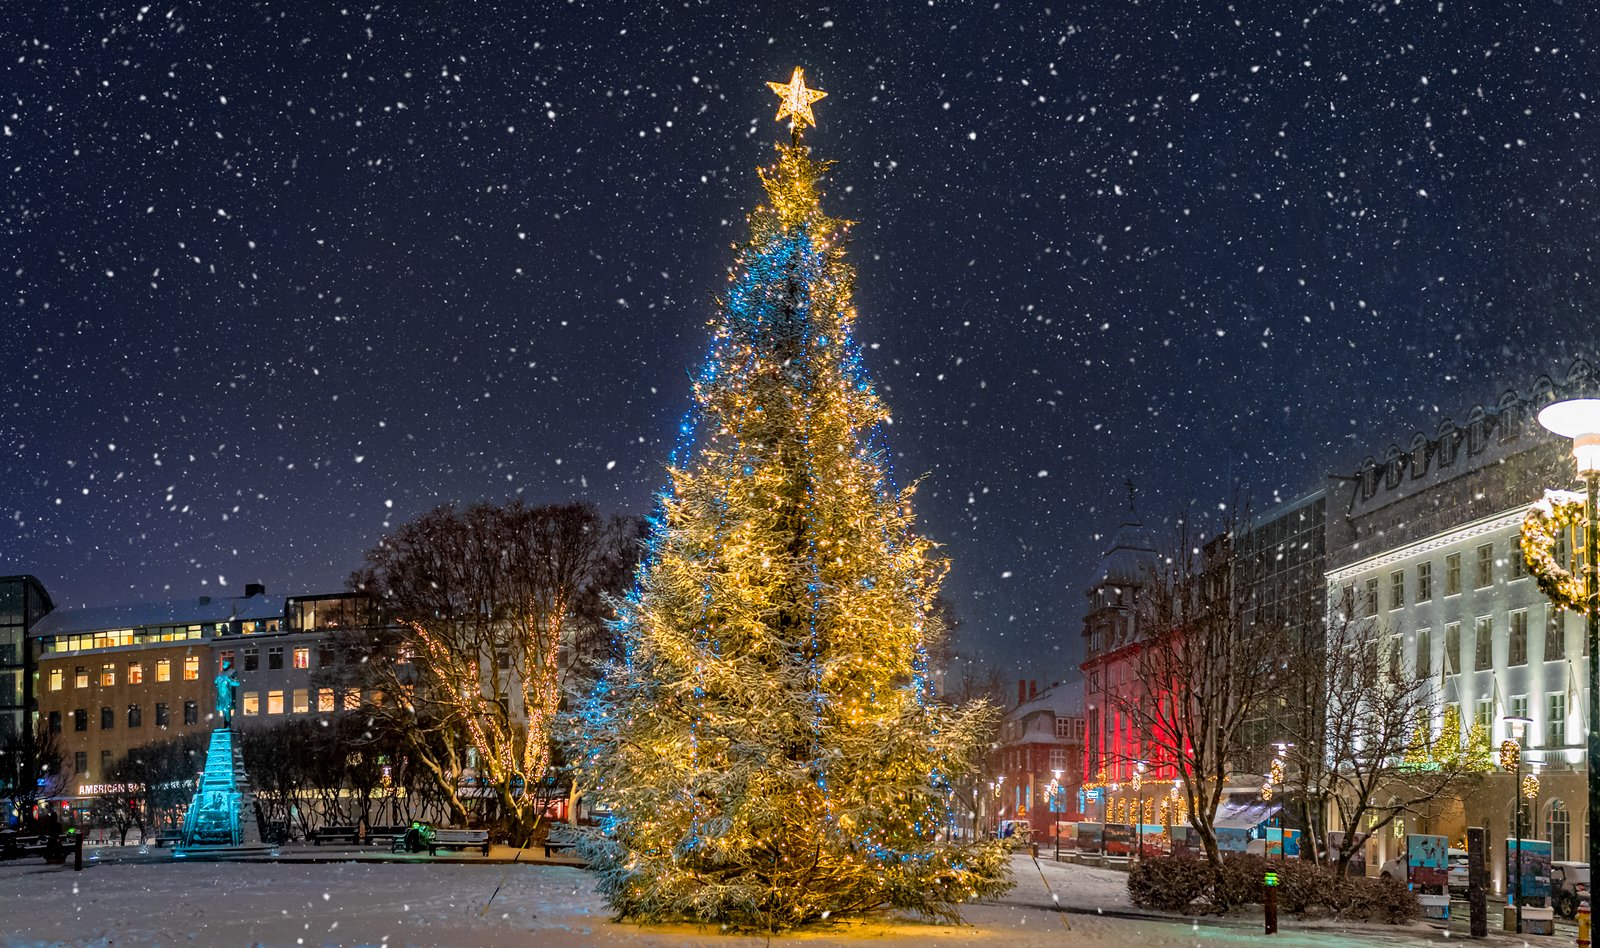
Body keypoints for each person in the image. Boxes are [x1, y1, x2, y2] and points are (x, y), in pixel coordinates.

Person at [214, 659, 240, 728]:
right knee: (223, 710)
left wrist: (229, 680)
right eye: (223, 664)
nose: (223, 665)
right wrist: (217, 681)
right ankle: (225, 723)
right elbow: (216, 684)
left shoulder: (232, 672)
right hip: (221, 695)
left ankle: (227, 724)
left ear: (228, 664)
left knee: (227, 709)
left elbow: (237, 683)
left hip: (228, 695)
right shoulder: (220, 673)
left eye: (224, 663)